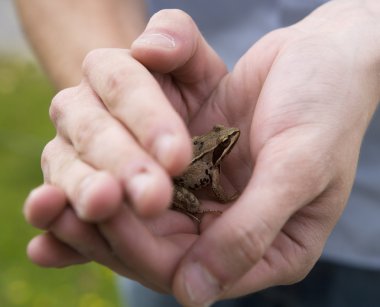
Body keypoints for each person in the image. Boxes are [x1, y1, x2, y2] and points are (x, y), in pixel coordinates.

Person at [16, 0, 380, 306]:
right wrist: (116, 100)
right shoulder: (209, 167)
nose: (230, 139)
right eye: (225, 142)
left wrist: (361, 34)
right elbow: (215, 187)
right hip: (173, 235)